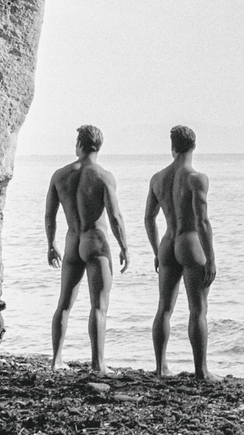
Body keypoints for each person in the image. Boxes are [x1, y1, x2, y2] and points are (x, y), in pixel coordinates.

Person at [45, 124, 129, 375]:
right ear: (98, 146)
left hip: (72, 242)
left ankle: (56, 360)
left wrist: (51, 244)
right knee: (99, 306)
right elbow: (115, 216)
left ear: (80, 145)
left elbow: (50, 215)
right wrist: (124, 246)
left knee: (64, 304)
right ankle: (97, 364)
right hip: (95, 242)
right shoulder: (103, 176)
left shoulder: (60, 175)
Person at [144, 124, 216, 379]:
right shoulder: (196, 179)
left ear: (172, 148)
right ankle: (201, 371)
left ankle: (160, 367)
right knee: (198, 309)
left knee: (164, 308)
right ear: (193, 147)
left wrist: (156, 250)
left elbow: (148, 218)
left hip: (167, 242)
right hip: (189, 242)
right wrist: (211, 259)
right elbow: (202, 222)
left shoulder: (157, 179)